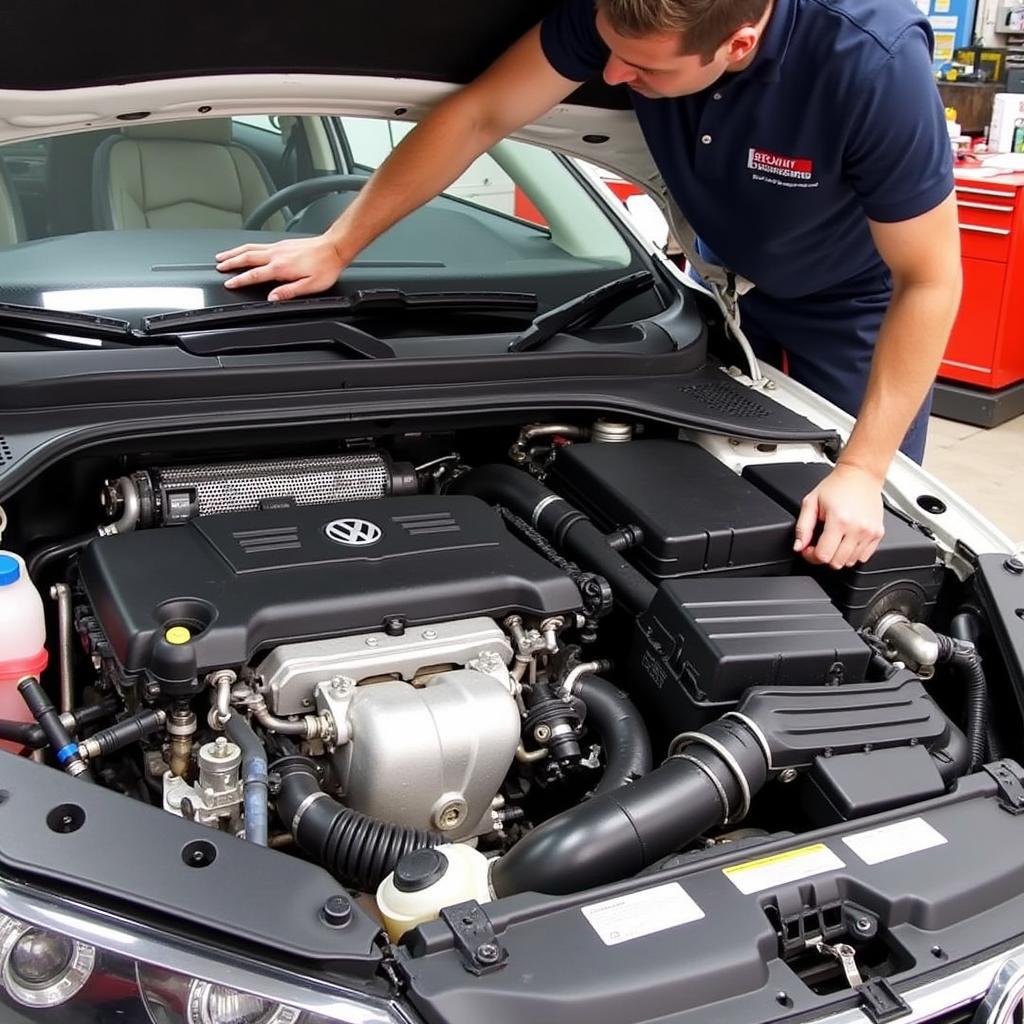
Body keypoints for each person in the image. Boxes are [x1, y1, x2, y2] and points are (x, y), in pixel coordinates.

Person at [215, 0, 962, 571]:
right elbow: (480, 115)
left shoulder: (870, 61)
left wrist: (864, 470)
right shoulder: (631, 17)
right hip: (729, 293)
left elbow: (928, 279)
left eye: (644, 70)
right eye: (607, 51)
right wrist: (340, 243)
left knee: (850, 532)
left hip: (859, 314)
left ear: (739, 44)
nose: (610, 77)